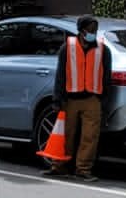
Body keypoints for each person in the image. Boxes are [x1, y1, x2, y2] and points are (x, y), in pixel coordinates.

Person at [44, 15, 113, 181]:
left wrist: (103, 100)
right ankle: (59, 166)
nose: (93, 33)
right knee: (65, 135)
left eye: (95, 30)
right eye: (90, 30)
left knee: (90, 136)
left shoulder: (103, 49)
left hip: (93, 99)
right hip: (70, 99)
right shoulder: (67, 48)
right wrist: (57, 98)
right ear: (81, 31)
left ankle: (83, 169)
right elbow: (60, 74)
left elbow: (106, 77)